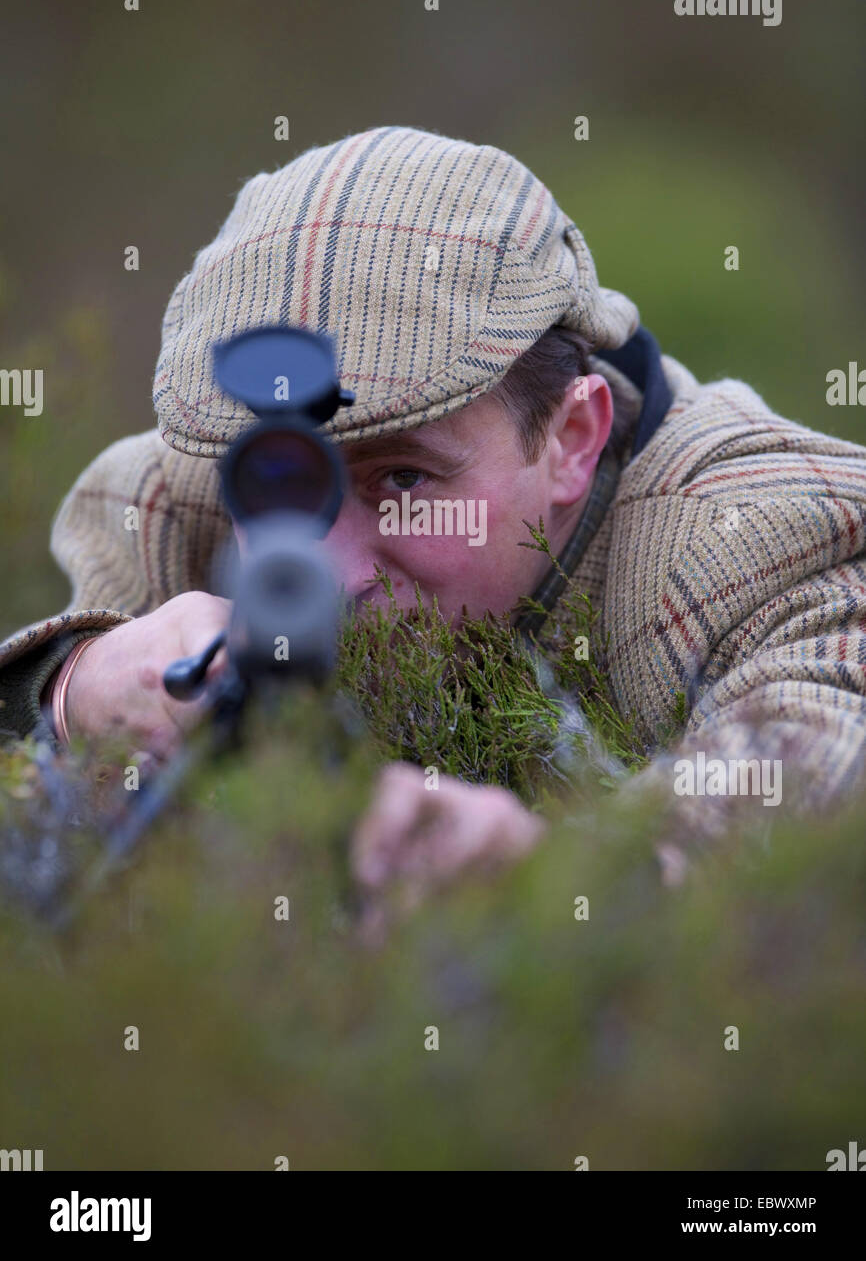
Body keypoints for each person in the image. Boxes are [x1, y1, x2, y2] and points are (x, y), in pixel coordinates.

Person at [2, 125, 865, 902]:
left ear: (572, 436)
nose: (331, 570)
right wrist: (72, 687)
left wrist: (564, 881)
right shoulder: (188, 494)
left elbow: (809, 784)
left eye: (404, 481)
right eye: (292, 483)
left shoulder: (752, 535)